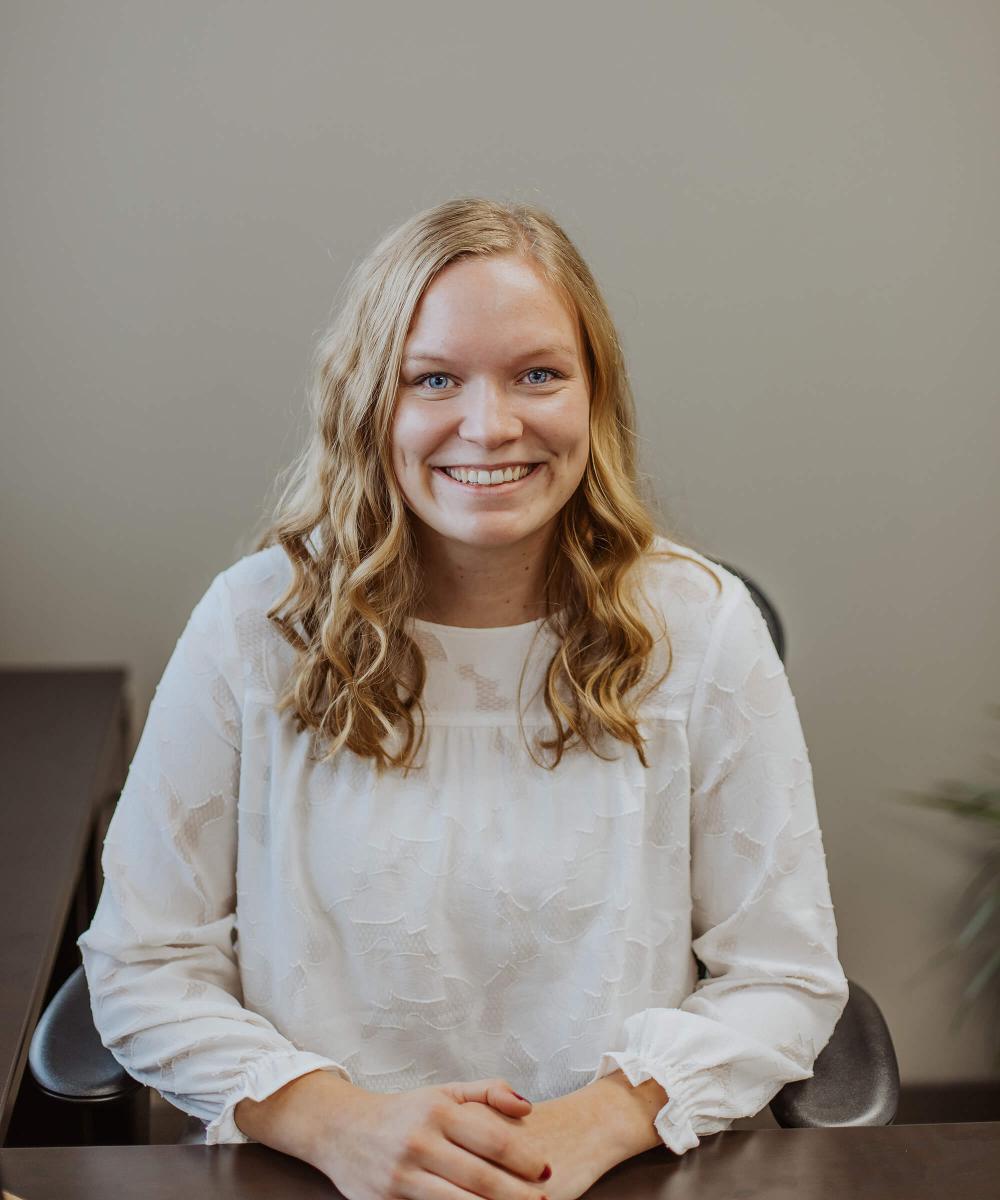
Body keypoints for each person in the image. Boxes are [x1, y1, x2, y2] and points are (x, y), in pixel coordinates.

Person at [77, 197, 849, 1200]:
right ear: (370, 403)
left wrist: (592, 1126)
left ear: (594, 395)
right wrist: (337, 1124)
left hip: (617, 1171)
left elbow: (782, 976)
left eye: (538, 374)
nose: (491, 425)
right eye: (433, 379)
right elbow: (143, 965)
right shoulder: (252, 624)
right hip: (315, 1173)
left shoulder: (699, 626)